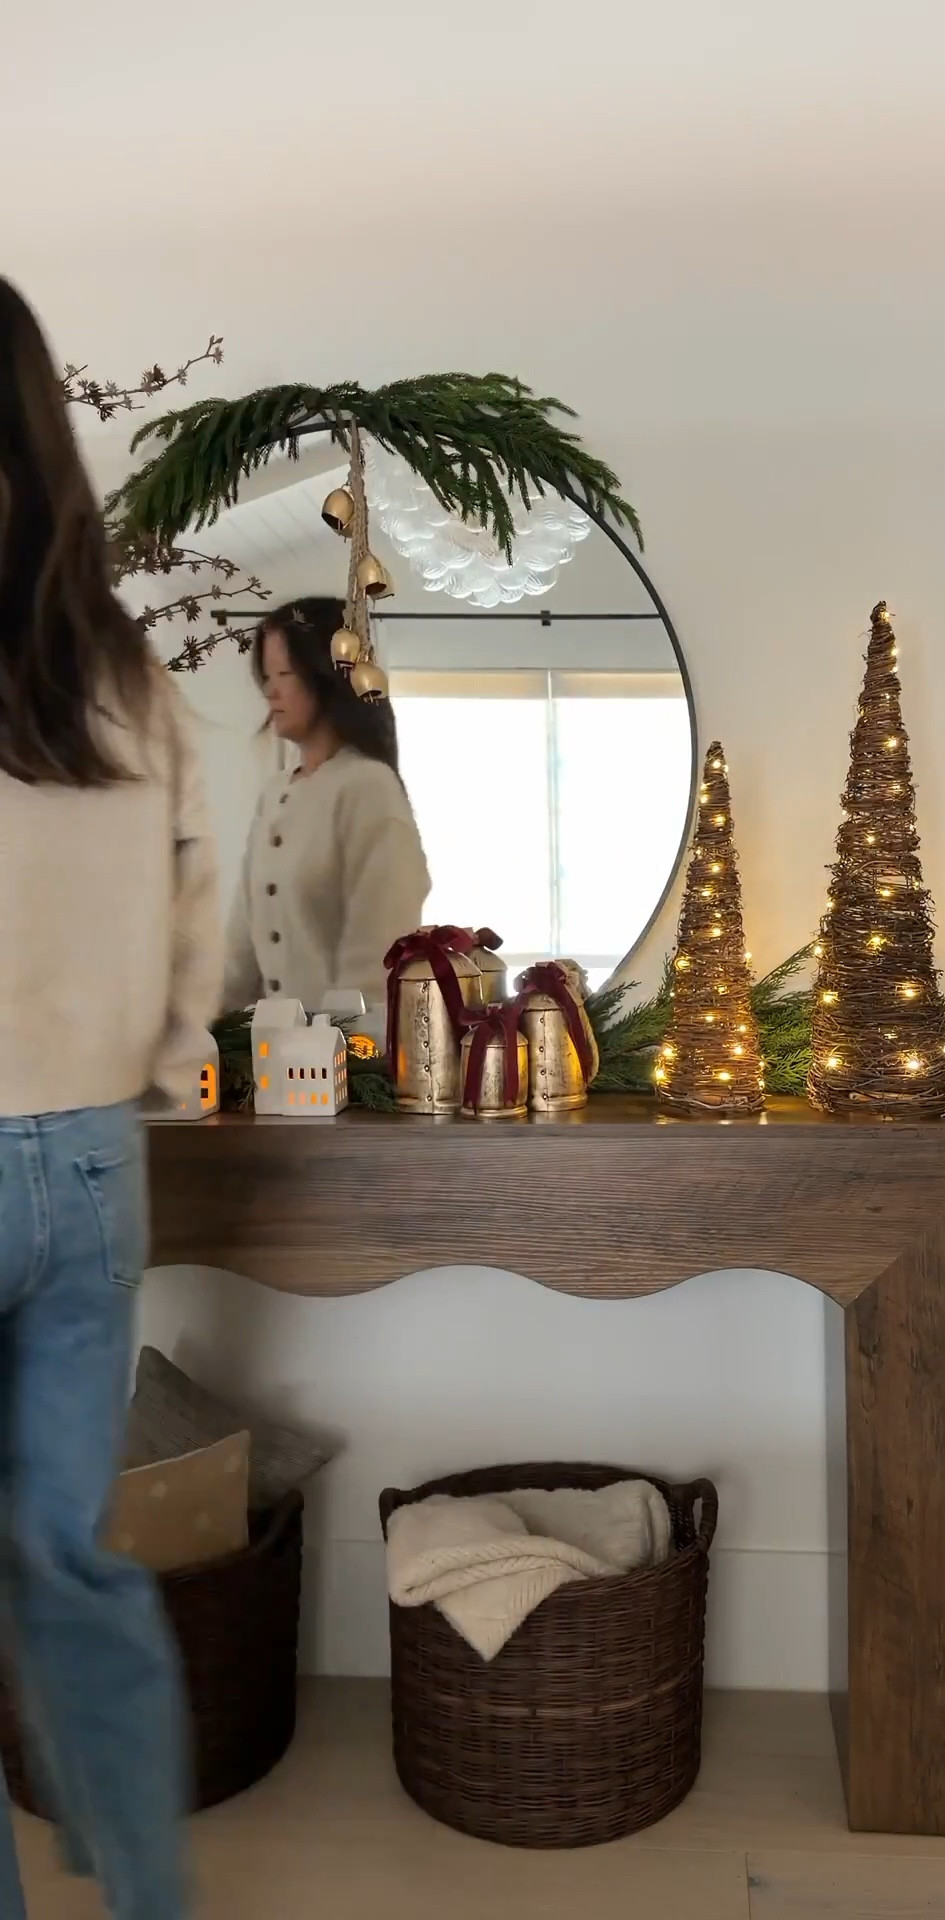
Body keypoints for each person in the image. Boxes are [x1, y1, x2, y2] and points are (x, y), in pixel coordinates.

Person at [0, 279, 221, 1919]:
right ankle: (149, 1893)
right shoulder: (125, 671)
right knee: (63, 1559)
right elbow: (192, 907)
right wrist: (140, 1072)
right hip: (89, 1161)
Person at [224, 596, 430, 1026]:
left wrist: (346, 1056)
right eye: (266, 675)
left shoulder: (367, 788)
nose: (270, 690)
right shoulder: (275, 792)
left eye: (284, 673)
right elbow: (241, 953)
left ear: (326, 675)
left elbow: (377, 958)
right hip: (265, 1065)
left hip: (343, 1070)